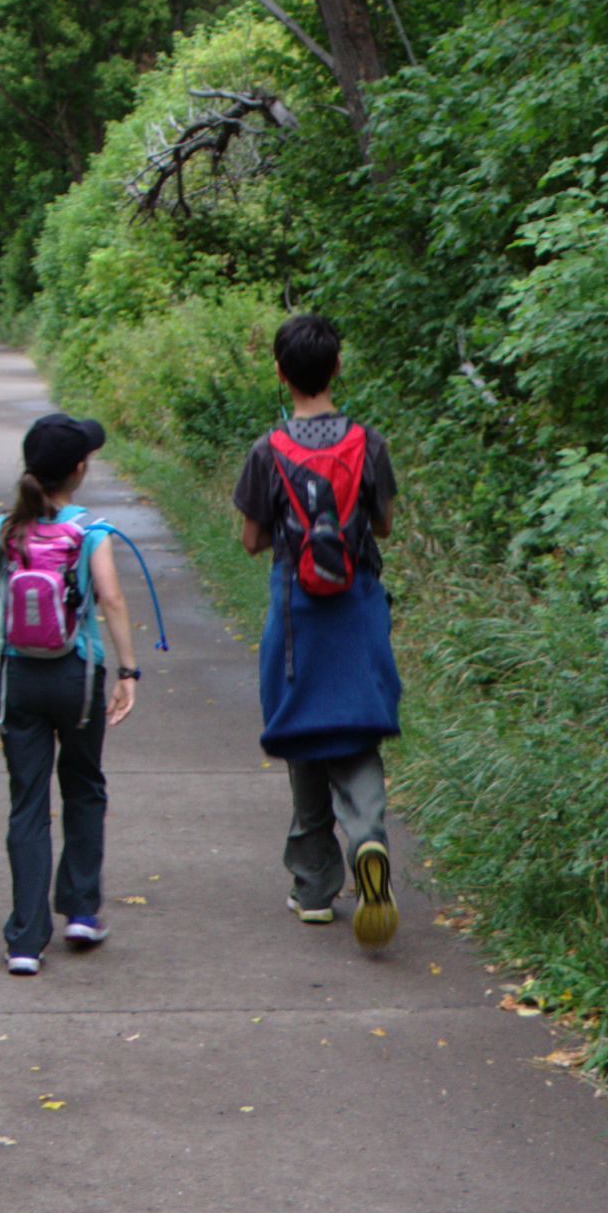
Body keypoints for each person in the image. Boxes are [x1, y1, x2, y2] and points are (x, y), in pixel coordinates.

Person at [0, 412, 140, 975]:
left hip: (20, 680)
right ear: (79, 469)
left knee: (27, 803)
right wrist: (128, 673)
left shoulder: (6, 529)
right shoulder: (90, 530)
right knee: (83, 785)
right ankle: (80, 909)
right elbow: (113, 599)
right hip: (77, 678)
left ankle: (25, 941)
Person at [233, 315, 402, 947]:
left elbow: (252, 539)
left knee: (302, 728)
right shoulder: (370, 443)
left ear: (280, 373)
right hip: (356, 606)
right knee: (356, 728)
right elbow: (381, 526)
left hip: (296, 612)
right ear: (337, 367)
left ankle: (312, 887)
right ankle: (368, 840)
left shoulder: (266, 450)